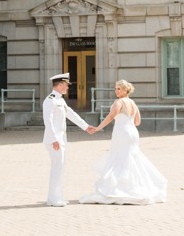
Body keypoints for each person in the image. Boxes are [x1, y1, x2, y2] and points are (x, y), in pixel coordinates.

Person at [79, 79, 168, 205]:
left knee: (120, 157)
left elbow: (111, 116)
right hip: (132, 133)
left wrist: (98, 128)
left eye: (118, 89)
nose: (116, 91)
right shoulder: (133, 103)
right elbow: (137, 122)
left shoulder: (119, 102)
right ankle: (136, 185)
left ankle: (120, 188)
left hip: (122, 133)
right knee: (131, 157)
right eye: (115, 88)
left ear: (125, 90)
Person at [43, 72, 96, 207]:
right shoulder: (50, 100)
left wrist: (85, 127)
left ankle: (56, 197)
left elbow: (71, 114)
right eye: (66, 85)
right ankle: (54, 199)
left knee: (60, 168)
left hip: (60, 139)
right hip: (54, 140)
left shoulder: (60, 100)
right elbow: (48, 121)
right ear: (60, 85)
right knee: (57, 168)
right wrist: (54, 139)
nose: (67, 87)